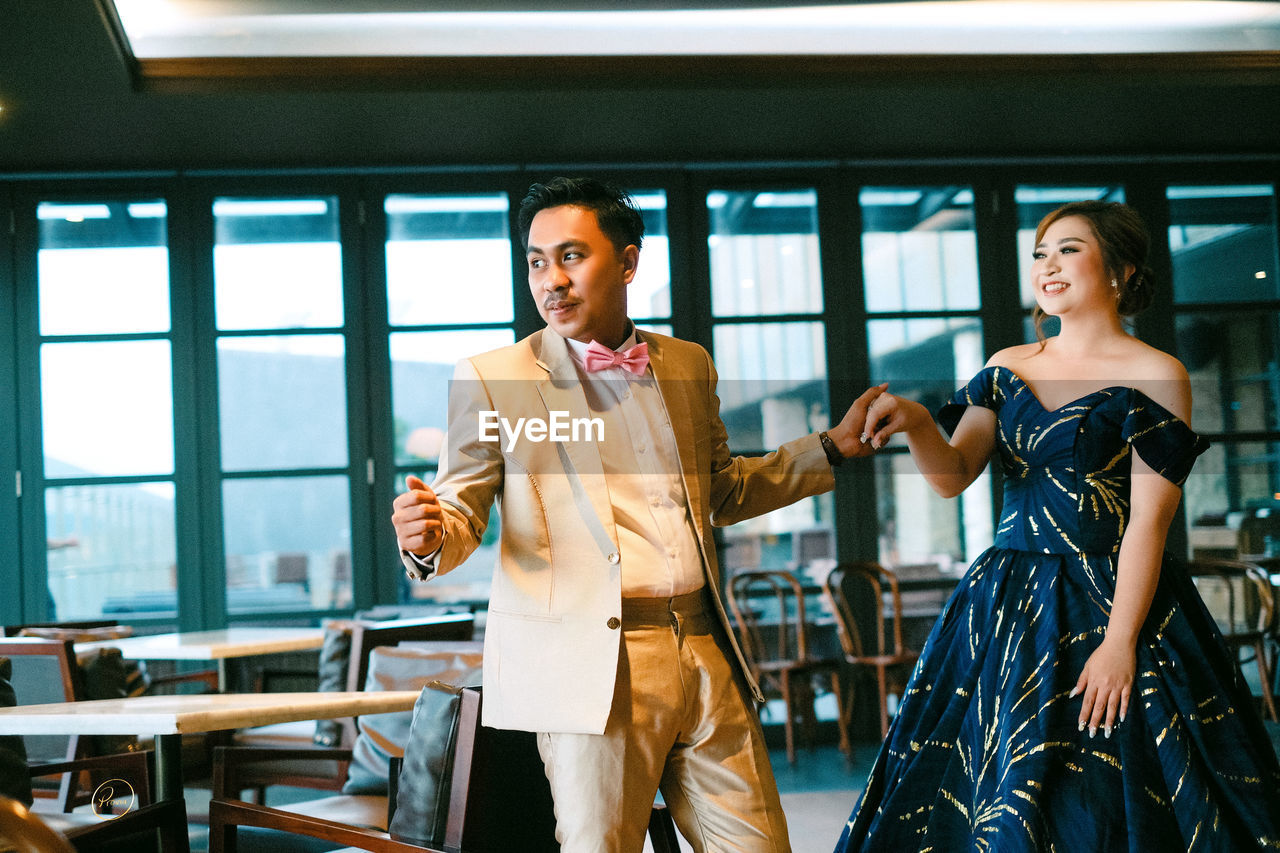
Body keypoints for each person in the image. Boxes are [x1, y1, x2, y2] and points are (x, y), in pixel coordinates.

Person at [391, 176, 880, 853]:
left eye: (570, 256)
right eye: (536, 260)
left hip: (705, 647)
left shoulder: (685, 363)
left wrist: (828, 448)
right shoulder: (493, 377)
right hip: (589, 666)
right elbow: (460, 512)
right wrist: (428, 534)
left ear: (627, 261)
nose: (550, 280)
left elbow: (725, 490)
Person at [833, 200, 1280, 851]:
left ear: (1122, 269)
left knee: (1101, 791)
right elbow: (953, 475)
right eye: (1041, 252)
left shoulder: (1157, 372)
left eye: (1068, 248)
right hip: (1006, 607)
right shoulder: (1005, 364)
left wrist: (1121, 641)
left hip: (1111, 601)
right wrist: (919, 422)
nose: (1047, 264)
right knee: (989, 789)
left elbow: (1148, 524)